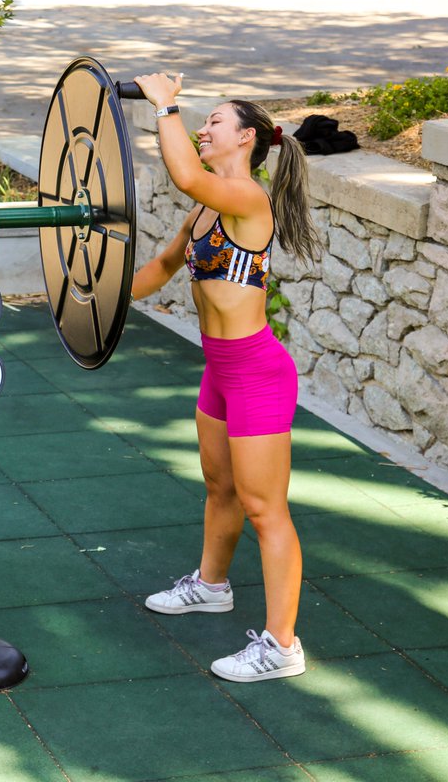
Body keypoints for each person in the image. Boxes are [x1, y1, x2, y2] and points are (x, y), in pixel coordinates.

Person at [130, 73, 321, 682]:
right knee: (219, 486)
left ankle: (282, 646)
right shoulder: (208, 208)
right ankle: (212, 585)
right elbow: (161, 267)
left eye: (214, 121)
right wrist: (89, 302)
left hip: (258, 373)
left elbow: (186, 171)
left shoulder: (250, 201)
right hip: (219, 369)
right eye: (200, 120)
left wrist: (165, 104)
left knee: (267, 510)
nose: (203, 129)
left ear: (244, 139)